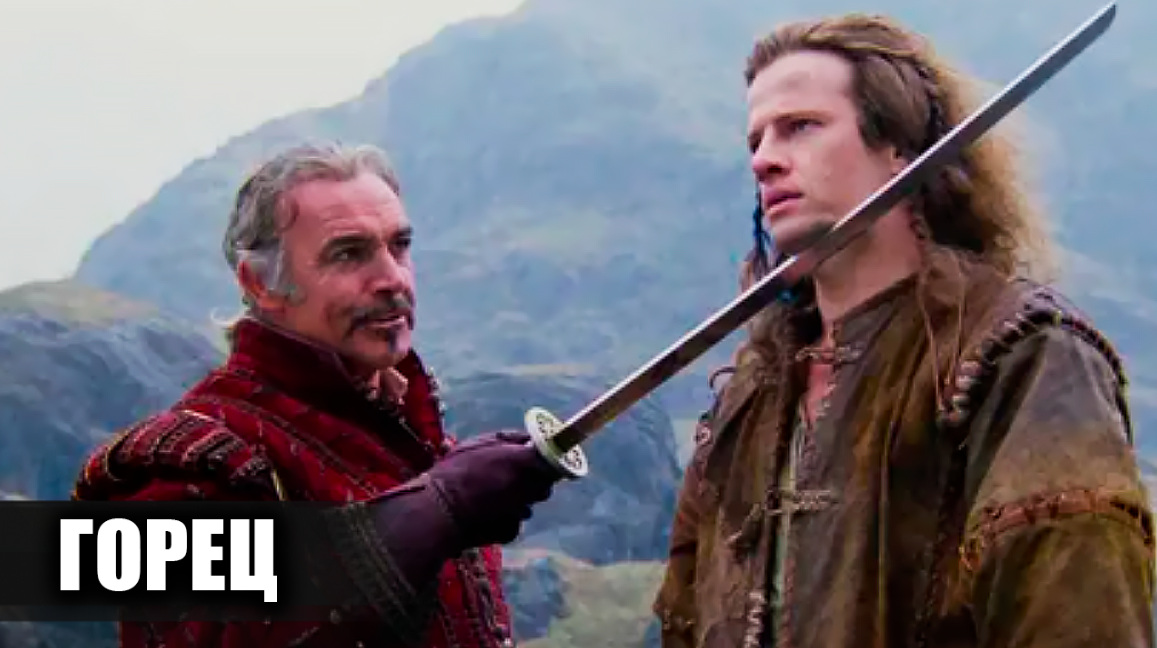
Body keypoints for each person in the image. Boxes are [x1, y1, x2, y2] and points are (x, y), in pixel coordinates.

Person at [653, 13, 1155, 648]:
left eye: (800, 126)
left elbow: (1078, 624)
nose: (765, 160)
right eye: (756, 140)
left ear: (897, 145)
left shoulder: (1023, 355)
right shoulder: (749, 399)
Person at [71, 141, 563, 648]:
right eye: (348, 254)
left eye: (399, 245)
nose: (392, 278)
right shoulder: (185, 467)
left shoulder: (416, 439)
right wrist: (437, 508)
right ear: (261, 284)